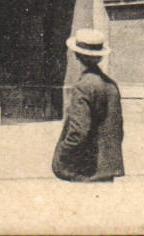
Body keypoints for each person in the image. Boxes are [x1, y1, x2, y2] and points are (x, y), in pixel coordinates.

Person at [52, 29, 125, 182]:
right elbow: (118, 128)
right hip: (106, 169)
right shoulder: (110, 84)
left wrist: (62, 156)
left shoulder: (83, 86)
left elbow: (78, 131)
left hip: (85, 169)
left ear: (76, 55)